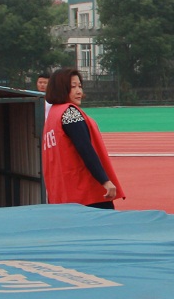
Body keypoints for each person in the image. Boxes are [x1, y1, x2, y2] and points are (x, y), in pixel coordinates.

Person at [42, 67, 123, 209]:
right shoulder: (69, 113)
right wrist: (104, 181)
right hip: (85, 193)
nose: (79, 91)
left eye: (80, 86)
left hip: (62, 193)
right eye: (73, 87)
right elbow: (85, 149)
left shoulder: (52, 115)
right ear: (61, 88)